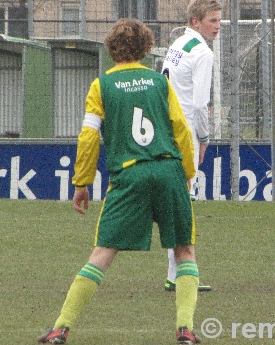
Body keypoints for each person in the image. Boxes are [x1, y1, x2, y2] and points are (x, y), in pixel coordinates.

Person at [37, 18, 203, 345]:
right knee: (185, 250)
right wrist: (186, 174)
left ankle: (61, 328)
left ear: (111, 49)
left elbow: (88, 137)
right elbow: (181, 130)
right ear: (145, 47)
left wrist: (82, 182)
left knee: (102, 252)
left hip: (130, 174)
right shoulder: (159, 82)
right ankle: (185, 330)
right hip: (168, 170)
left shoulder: (101, 85)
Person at [161, 0, 221, 293]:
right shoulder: (203, 53)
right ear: (196, 21)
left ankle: (174, 273)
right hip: (185, 132)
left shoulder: (177, 44)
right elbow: (199, 105)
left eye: (219, 20)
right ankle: (179, 274)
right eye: (212, 21)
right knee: (182, 204)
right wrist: (205, 137)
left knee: (176, 202)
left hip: (166, 126)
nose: (218, 26)